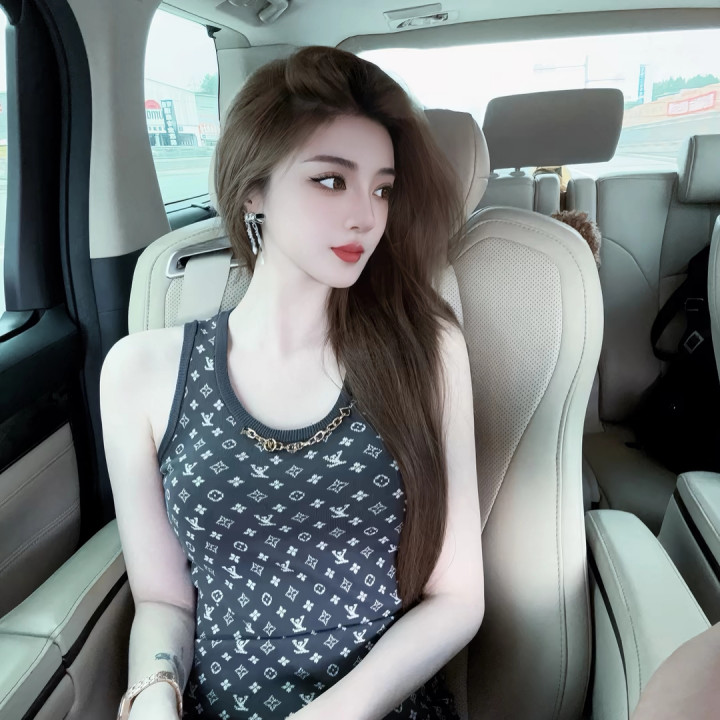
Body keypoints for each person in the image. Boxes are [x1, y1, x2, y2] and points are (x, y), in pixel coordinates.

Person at [100, 45, 484, 720]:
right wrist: (155, 690)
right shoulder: (141, 372)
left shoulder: (427, 351)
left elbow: (457, 598)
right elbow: (163, 599)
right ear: (254, 190)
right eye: (331, 180)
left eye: (382, 188)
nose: (366, 215)